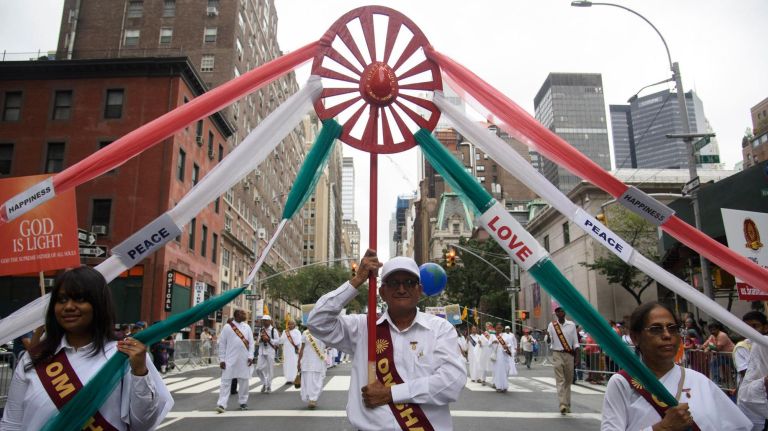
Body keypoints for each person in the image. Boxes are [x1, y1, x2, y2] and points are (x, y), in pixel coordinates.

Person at [307, 250, 466, 431]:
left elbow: (452, 383)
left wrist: (391, 394)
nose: (401, 289)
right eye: (393, 283)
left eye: (409, 282)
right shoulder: (363, 327)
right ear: (382, 292)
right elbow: (316, 322)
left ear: (419, 290)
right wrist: (357, 280)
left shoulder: (440, 329)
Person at [0, 265, 173, 430]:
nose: (68, 307)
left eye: (80, 299)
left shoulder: (123, 355)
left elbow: (143, 424)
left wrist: (140, 373)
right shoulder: (33, 358)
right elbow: (12, 423)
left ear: (98, 304)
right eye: (61, 300)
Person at [602, 302, 751, 430]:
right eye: (656, 329)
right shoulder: (622, 383)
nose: (667, 335)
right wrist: (663, 428)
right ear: (635, 337)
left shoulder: (699, 381)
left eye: (672, 328)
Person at [215, 308, 254, 413]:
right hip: (230, 359)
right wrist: (222, 359)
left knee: (244, 382)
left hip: (244, 359)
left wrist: (251, 356)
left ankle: (243, 402)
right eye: (242, 313)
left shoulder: (247, 327)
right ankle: (222, 404)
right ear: (236, 315)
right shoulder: (227, 327)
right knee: (225, 382)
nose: (245, 314)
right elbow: (222, 344)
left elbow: (251, 343)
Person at [734, 311, 768, 430]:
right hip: (752, 395)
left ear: (765, 327)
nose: (750, 331)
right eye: (747, 327)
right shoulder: (742, 346)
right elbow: (746, 372)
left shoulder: (764, 342)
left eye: (755, 326)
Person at [547, 306, 580, 415]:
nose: (560, 313)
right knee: (560, 380)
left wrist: (577, 356)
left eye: (562, 311)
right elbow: (548, 341)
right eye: (558, 311)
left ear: (565, 313)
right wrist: (547, 336)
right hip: (557, 353)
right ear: (556, 314)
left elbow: (575, 342)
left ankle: (567, 404)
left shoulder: (571, 325)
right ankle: (562, 404)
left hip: (569, 355)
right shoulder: (552, 325)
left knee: (568, 381)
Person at [297, 328, 328, 409]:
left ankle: (313, 399)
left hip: (318, 360)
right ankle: (310, 398)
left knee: (316, 379)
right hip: (306, 360)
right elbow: (302, 348)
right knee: (307, 379)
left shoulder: (323, 332)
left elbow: (327, 345)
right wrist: (299, 361)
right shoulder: (305, 333)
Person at [255, 315, 279, 393]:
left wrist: (269, 339)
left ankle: (268, 386)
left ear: (269, 321)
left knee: (270, 369)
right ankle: (264, 383)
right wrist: (261, 339)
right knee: (258, 369)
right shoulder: (261, 330)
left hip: (270, 351)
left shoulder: (273, 330)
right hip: (262, 351)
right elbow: (258, 341)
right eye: (263, 320)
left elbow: (277, 341)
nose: (264, 322)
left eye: (265, 320)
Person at [491, 323, 516, 393]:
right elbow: (489, 344)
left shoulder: (507, 336)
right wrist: (493, 342)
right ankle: (498, 386)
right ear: (495, 329)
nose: (499, 329)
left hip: (505, 356)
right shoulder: (493, 336)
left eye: (500, 328)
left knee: (505, 371)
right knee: (498, 372)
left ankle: (504, 386)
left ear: (502, 329)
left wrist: (507, 346)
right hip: (497, 358)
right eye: (497, 328)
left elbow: (511, 344)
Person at [279, 320, 302, 385]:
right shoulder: (285, 332)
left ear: (294, 325)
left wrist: (298, 349)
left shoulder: (297, 332)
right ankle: (288, 379)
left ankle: (295, 378)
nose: (290, 325)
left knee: (294, 364)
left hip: (294, 351)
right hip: (286, 351)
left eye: (292, 324)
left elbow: (298, 342)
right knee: (287, 364)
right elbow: (281, 341)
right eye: (289, 324)